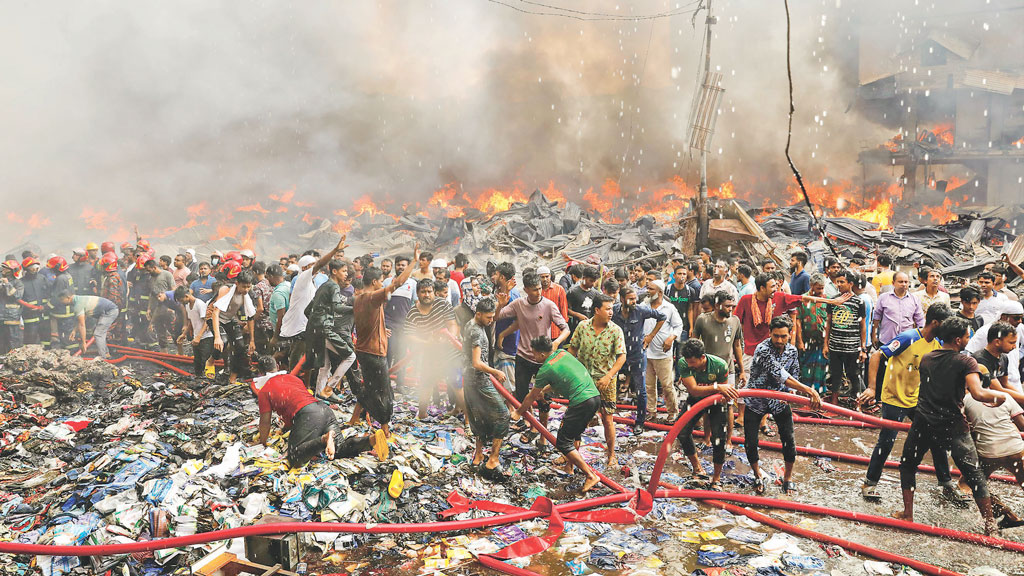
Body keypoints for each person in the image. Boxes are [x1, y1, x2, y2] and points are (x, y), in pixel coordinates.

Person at [894, 317, 1005, 536]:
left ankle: (908, 513)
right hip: (952, 424)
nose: (969, 339)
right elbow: (978, 393)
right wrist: (999, 396)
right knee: (974, 475)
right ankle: (990, 526)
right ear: (957, 340)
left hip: (924, 421)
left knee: (908, 466)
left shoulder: (927, 358)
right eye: (966, 336)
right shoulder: (966, 362)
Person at [856, 303, 967, 503]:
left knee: (937, 437)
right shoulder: (908, 338)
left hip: (918, 400)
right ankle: (870, 483)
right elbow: (876, 356)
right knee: (887, 441)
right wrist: (872, 388)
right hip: (894, 397)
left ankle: (946, 484)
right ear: (936, 322)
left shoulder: (939, 344)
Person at [253, 356, 387, 468]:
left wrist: (262, 442)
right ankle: (371, 440)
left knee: (295, 458)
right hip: (323, 409)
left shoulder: (265, 390)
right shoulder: (292, 378)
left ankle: (324, 439)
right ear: (276, 365)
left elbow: (265, 421)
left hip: (307, 415)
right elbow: (294, 402)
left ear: (260, 372)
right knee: (338, 449)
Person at [513, 336, 603, 493]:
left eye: (534, 353)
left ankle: (590, 475)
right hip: (594, 397)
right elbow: (560, 379)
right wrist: (543, 391)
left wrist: (518, 412)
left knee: (562, 442)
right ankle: (569, 467)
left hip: (581, 401)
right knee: (574, 435)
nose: (533, 357)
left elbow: (531, 397)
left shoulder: (545, 368)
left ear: (541, 354)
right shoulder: (562, 353)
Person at [744, 315, 822, 495]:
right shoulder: (762, 349)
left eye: (783, 336)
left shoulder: (792, 351)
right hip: (757, 400)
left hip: (780, 400)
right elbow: (781, 375)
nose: (779, 340)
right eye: (776, 336)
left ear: (789, 335)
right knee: (751, 441)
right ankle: (757, 475)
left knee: (789, 439)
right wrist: (808, 390)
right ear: (770, 333)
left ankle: (787, 478)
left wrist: (793, 394)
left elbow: (794, 373)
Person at [350, 243, 419, 437]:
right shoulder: (372, 297)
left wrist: (381, 330)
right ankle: (385, 429)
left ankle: (354, 419)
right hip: (374, 353)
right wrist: (414, 261)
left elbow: (368, 322)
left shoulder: (358, 298)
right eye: (381, 281)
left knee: (369, 386)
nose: (383, 284)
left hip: (363, 350)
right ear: (373, 283)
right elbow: (397, 283)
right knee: (384, 392)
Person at [496, 272, 569, 443]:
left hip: (543, 358)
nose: (538, 292)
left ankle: (540, 431)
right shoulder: (519, 304)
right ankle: (530, 425)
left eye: (539, 289)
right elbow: (498, 316)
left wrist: (556, 342)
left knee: (544, 397)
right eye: (534, 289)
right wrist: (499, 305)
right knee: (521, 396)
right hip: (523, 356)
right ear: (526, 289)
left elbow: (566, 328)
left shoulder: (549, 306)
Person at [962, 328, 1024, 529]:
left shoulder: (965, 400)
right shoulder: (1005, 398)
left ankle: (995, 519)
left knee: (969, 484)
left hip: (989, 453)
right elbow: (1021, 424)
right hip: (1016, 449)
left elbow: (964, 429)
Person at [569, 294, 625, 467]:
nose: (611, 312)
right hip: (584, 380)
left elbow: (621, 357)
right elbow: (572, 350)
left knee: (607, 419)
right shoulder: (583, 327)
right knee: (577, 418)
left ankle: (611, 454)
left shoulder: (615, 330)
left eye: (612, 309)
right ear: (596, 310)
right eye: (607, 309)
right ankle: (571, 457)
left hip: (606, 382)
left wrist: (608, 376)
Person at [676, 338, 738, 487]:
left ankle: (716, 479)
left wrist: (718, 391)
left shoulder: (720, 365)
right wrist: (717, 387)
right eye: (688, 362)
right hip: (695, 399)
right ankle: (698, 468)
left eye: (693, 362)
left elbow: (725, 394)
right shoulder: (683, 363)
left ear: (702, 357)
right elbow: (694, 389)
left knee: (719, 439)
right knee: (682, 431)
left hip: (717, 401)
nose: (690, 365)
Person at [279, 238, 347, 372]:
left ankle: (304, 386)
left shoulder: (312, 281)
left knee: (308, 360)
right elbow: (321, 264)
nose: (316, 268)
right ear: (304, 268)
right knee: (298, 358)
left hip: (308, 326)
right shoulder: (302, 277)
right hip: (300, 327)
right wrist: (334, 251)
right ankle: (293, 385)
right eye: (312, 265)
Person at [462, 298, 510, 480]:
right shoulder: (476, 332)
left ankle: (478, 456)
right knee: (503, 414)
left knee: (479, 416)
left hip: (469, 379)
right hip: (479, 380)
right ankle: (493, 459)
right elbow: (476, 362)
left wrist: (500, 305)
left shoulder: (472, 323)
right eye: (489, 317)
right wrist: (495, 371)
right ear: (479, 314)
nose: (491, 320)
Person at [407, 278, 463, 419]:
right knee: (426, 384)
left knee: (457, 385)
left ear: (434, 292)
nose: (427, 295)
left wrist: (451, 337)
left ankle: (469, 422)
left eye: (429, 291)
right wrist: (426, 343)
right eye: (423, 292)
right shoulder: (413, 312)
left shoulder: (442, 304)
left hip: (450, 352)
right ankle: (423, 415)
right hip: (430, 354)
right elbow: (409, 335)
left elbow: (453, 324)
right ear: (418, 294)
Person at [305, 260, 359, 402]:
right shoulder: (333, 286)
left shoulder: (323, 286)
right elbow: (337, 308)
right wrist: (357, 309)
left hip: (314, 329)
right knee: (350, 356)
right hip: (324, 329)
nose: (346, 274)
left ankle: (319, 397)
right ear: (334, 271)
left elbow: (307, 310)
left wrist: (316, 323)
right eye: (344, 271)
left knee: (325, 366)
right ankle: (329, 388)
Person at [824, 270, 868, 404]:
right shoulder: (833, 300)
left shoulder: (859, 302)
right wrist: (826, 344)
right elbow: (828, 322)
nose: (839, 285)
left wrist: (862, 348)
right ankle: (834, 404)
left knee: (854, 375)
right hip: (835, 346)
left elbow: (862, 326)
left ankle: (857, 403)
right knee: (835, 375)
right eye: (837, 282)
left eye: (842, 282)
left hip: (852, 347)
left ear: (850, 283)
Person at [643, 280, 683, 421]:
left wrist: (671, 338)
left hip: (663, 353)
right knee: (648, 385)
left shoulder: (669, 308)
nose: (648, 291)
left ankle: (673, 412)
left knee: (666, 385)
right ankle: (651, 411)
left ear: (660, 292)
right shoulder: (644, 306)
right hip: (646, 352)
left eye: (651, 289)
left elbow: (678, 326)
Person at [210, 265, 256, 384]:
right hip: (214, 317)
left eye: (248, 286)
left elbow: (250, 316)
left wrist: (252, 340)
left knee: (240, 348)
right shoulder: (226, 289)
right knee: (223, 342)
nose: (246, 289)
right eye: (244, 286)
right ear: (237, 283)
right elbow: (215, 312)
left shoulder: (248, 294)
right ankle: (211, 360)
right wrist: (217, 337)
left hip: (230, 319)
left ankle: (232, 379)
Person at [383, 254, 417, 391]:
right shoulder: (387, 283)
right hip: (389, 324)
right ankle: (385, 383)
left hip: (404, 325)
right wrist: (383, 325)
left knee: (402, 354)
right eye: (398, 265)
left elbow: (415, 305)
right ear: (395, 266)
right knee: (388, 353)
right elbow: (382, 305)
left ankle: (400, 384)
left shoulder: (413, 284)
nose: (401, 267)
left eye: (404, 265)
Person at [57, 290, 118, 359]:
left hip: (110, 311)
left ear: (68, 298)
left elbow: (82, 325)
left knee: (98, 334)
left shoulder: (78, 304)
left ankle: (104, 358)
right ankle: (106, 353)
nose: (61, 302)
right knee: (99, 332)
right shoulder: (79, 299)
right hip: (108, 310)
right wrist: (74, 330)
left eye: (62, 299)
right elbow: (83, 318)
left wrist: (83, 343)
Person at [871, 272, 923, 348]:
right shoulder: (883, 298)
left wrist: (920, 339)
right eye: (900, 282)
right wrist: (874, 335)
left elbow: (920, 321)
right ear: (893, 283)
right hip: (887, 341)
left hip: (907, 342)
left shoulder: (914, 299)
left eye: (906, 282)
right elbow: (876, 318)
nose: (904, 284)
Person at [795, 273, 828, 395]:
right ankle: (806, 394)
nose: (821, 291)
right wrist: (800, 341)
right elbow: (798, 322)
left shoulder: (827, 299)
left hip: (823, 341)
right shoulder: (803, 299)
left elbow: (829, 322)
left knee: (821, 369)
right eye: (818, 288)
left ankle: (819, 395)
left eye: (822, 288)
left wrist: (826, 344)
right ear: (811, 285)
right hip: (807, 340)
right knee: (806, 369)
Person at [491, 262, 520, 384]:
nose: (493, 277)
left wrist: (502, 335)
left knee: (509, 387)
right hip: (500, 345)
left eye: (496, 274)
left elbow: (519, 321)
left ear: (502, 277)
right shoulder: (499, 291)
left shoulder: (513, 296)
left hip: (508, 347)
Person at [177, 286, 214, 377]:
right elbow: (191, 321)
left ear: (186, 296)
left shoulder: (199, 304)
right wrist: (184, 334)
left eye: (181, 300)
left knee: (205, 361)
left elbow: (207, 321)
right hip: (197, 337)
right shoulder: (188, 306)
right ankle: (199, 382)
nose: (181, 303)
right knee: (197, 362)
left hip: (206, 337)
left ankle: (208, 382)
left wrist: (199, 336)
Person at [145, 258, 176, 352]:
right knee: (160, 331)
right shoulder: (150, 278)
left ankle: (180, 352)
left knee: (172, 329)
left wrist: (172, 306)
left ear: (154, 267)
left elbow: (174, 290)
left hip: (167, 307)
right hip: (156, 308)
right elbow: (151, 294)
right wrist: (149, 308)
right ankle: (165, 354)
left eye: (149, 270)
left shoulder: (167, 274)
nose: (148, 272)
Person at [47, 256, 77, 352]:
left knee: (66, 335)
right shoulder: (68, 275)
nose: (51, 269)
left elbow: (57, 296)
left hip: (63, 312)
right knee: (68, 334)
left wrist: (47, 307)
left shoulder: (60, 278)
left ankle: (72, 354)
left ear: (57, 267)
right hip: (69, 310)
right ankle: (72, 353)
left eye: (52, 267)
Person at [98, 252, 126, 346]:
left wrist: (108, 309)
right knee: (117, 329)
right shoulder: (113, 276)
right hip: (115, 308)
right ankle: (115, 348)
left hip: (112, 308)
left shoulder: (112, 278)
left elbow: (113, 296)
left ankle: (108, 349)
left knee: (108, 329)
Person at [20, 257, 49, 347]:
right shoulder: (21, 282)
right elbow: (18, 300)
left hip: (44, 316)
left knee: (46, 341)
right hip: (30, 317)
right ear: (26, 269)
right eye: (32, 268)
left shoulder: (42, 278)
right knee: (29, 342)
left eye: (36, 268)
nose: (35, 270)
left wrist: (47, 307)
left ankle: (47, 355)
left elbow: (50, 293)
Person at [665, 264, 700, 339]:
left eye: (684, 274)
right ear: (674, 276)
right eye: (679, 273)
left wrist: (691, 327)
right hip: (669, 327)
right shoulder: (667, 290)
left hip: (684, 327)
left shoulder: (690, 291)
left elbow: (690, 309)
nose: (682, 276)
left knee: (681, 349)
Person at [566, 265, 601, 334]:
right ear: (584, 278)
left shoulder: (596, 293)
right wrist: (577, 315)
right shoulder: (573, 292)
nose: (593, 284)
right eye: (591, 281)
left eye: (594, 281)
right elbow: (566, 309)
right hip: (576, 327)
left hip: (591, 328)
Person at [538, 266, 569, 340]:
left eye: (547, 276)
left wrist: (563, 329)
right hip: (539, 332)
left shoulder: (559, 289)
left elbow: (563, 309)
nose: (545, 279)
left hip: (556, 331)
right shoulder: (536, 290)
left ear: (550, 276)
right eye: (542, 277)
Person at [0, 260, 24, 354]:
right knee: (1, 342)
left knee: (13, 341)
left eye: (5, 268)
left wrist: (7, 285)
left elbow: (17, 296)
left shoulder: (18, 283)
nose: (3, 270)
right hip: (1, 317)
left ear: (12, 270)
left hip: (12, 318)